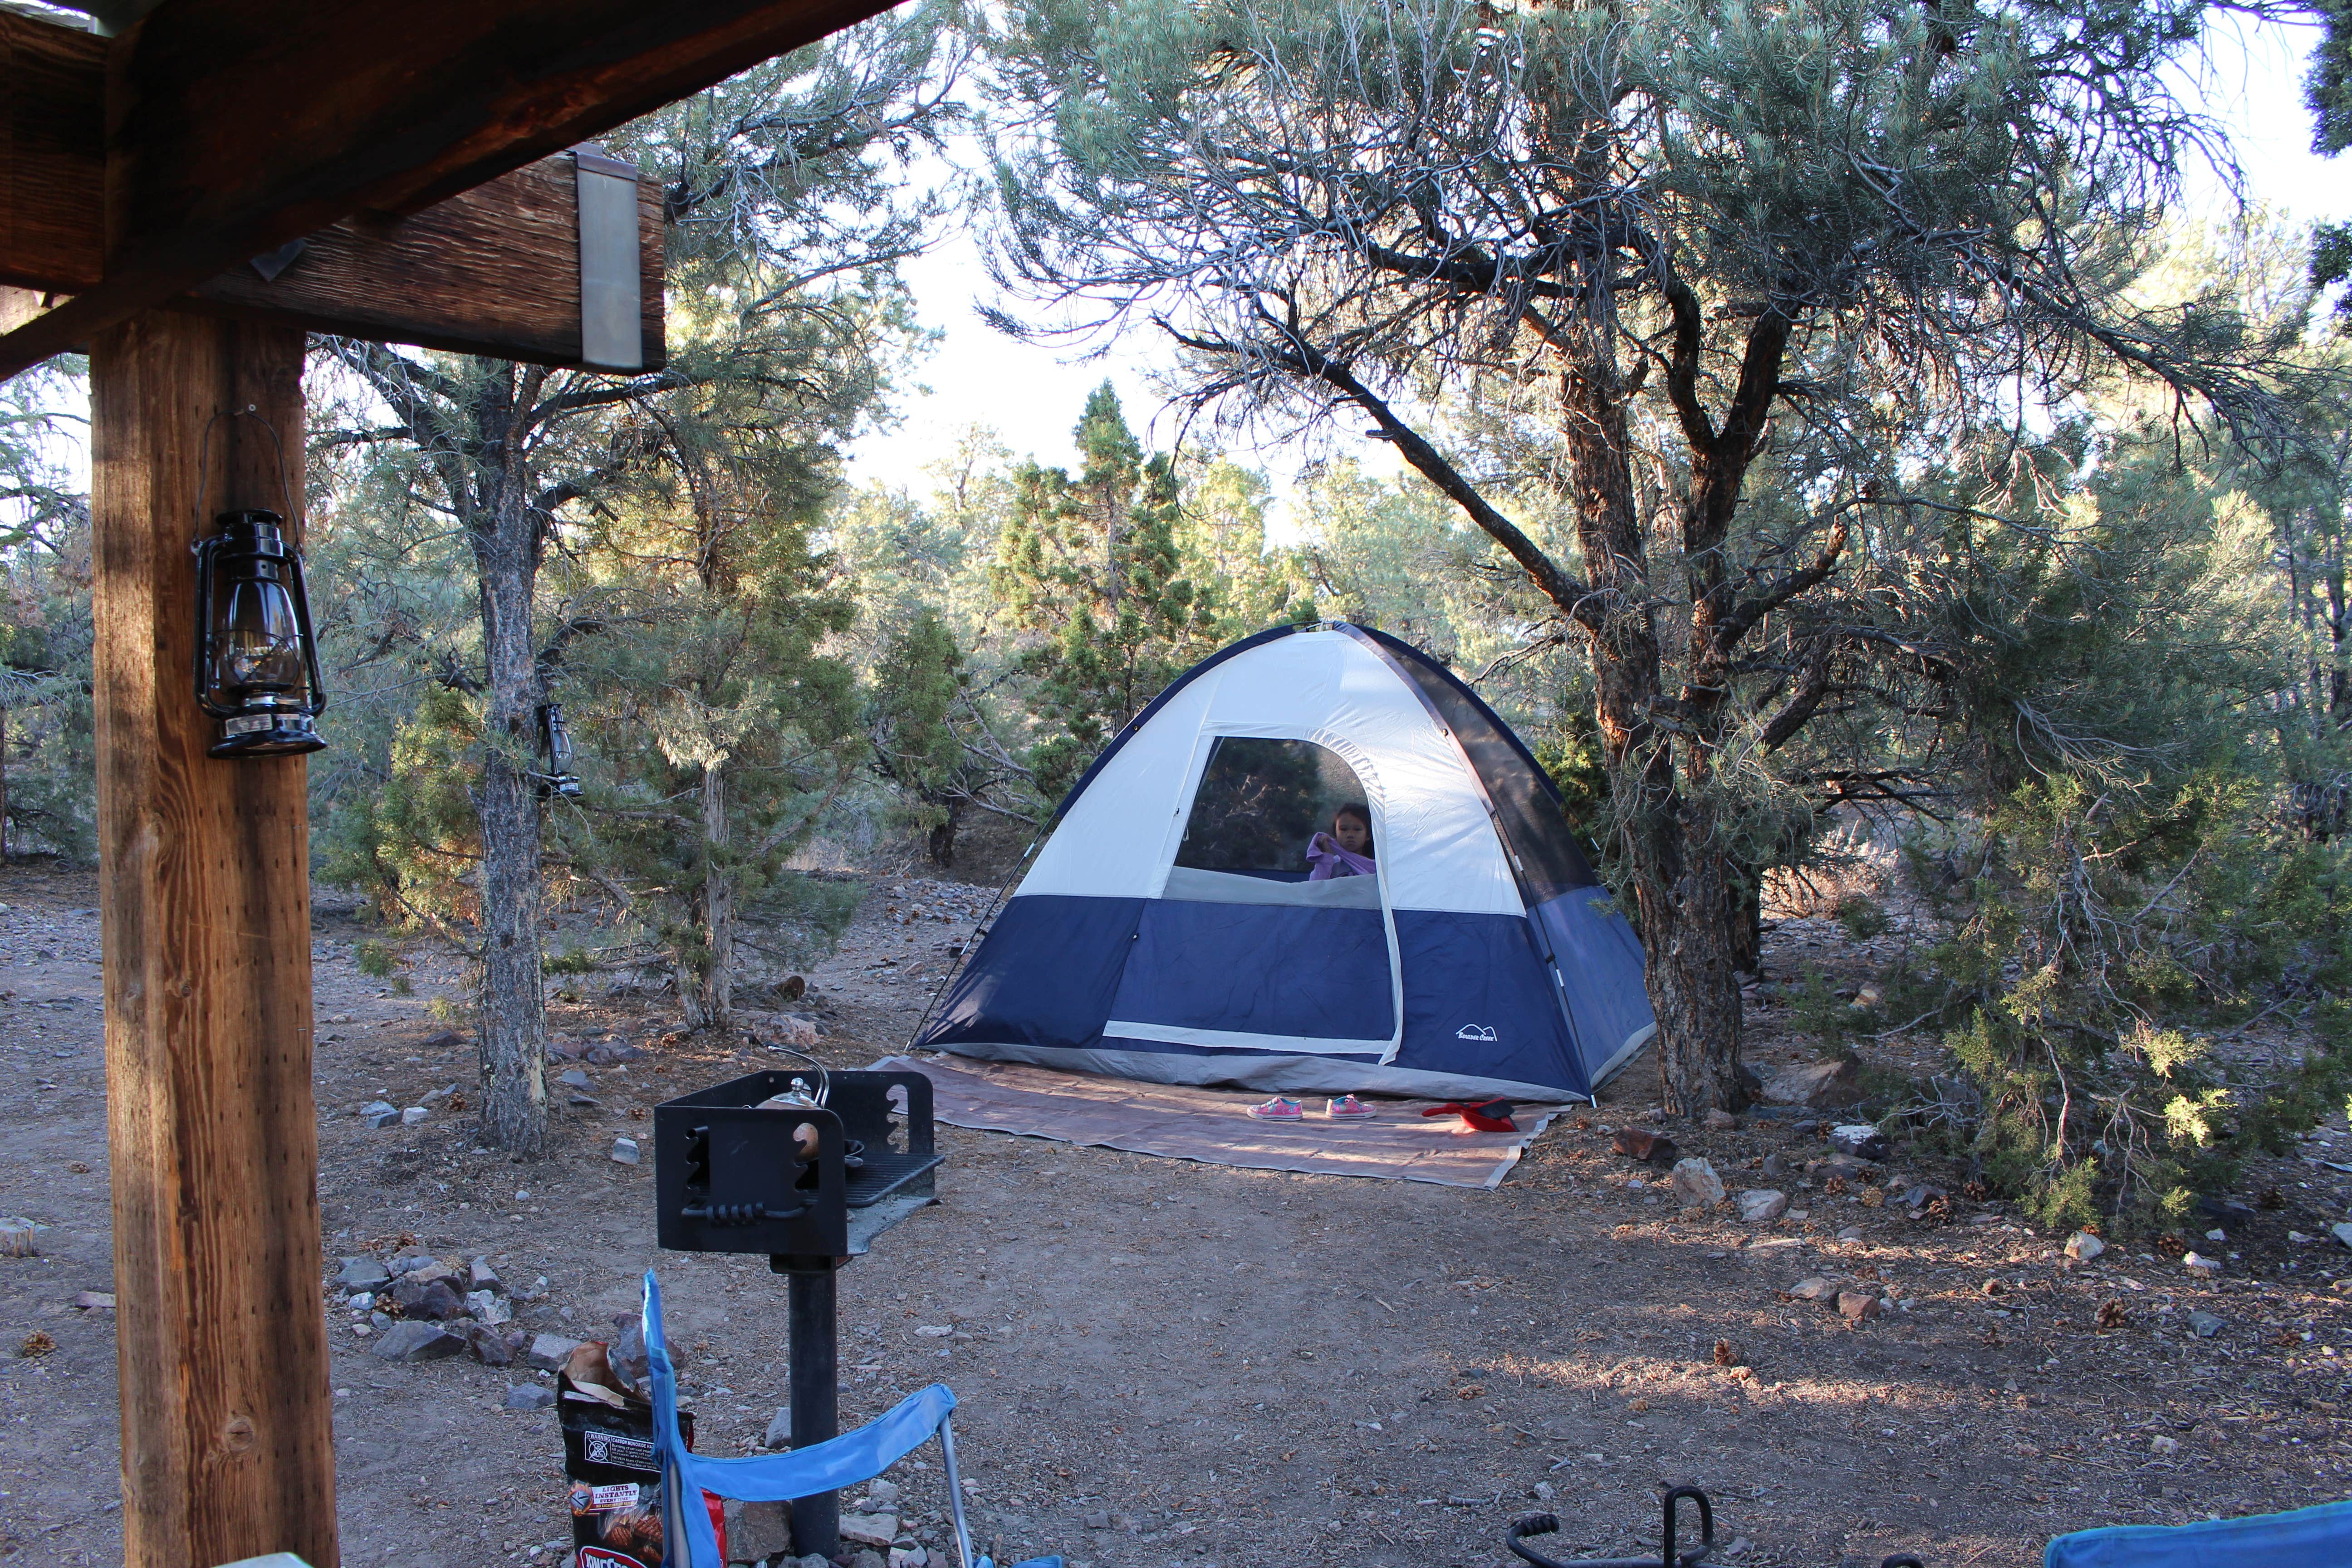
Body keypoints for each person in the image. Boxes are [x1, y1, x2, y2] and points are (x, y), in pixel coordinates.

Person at [1306, 803, 1376, 881]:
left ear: (1368, 835)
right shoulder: (1331, 864)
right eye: (1344, 829)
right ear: (1335, 836)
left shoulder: (1378, 867)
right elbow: (1315, 886)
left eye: (1357, 829)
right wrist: (1325, 856)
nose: (1350, 835)